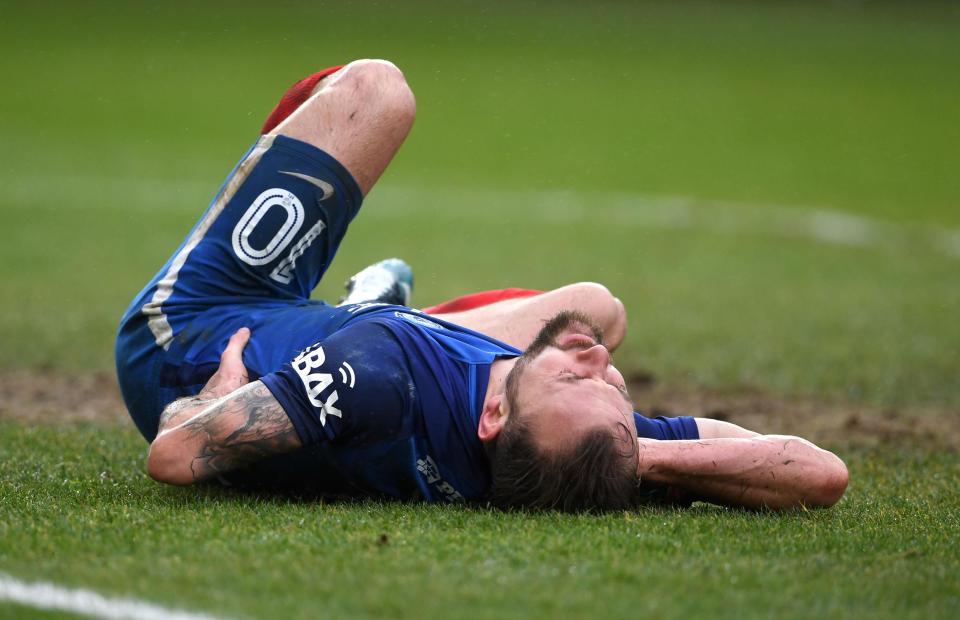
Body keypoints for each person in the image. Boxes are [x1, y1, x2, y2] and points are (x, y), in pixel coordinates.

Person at [116, 59, 848, 512]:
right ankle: (363, 308)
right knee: (595, 308)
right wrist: (640, 455)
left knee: (378, 91)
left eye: (571, 379)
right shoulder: (574, 446)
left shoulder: (375, 375)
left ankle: (358, 301)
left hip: (194, 329)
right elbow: (819, 476)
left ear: (495, 413)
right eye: (617, 393)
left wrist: (219, 393)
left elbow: (176, 452)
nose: (597, 364)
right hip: (362, 346)